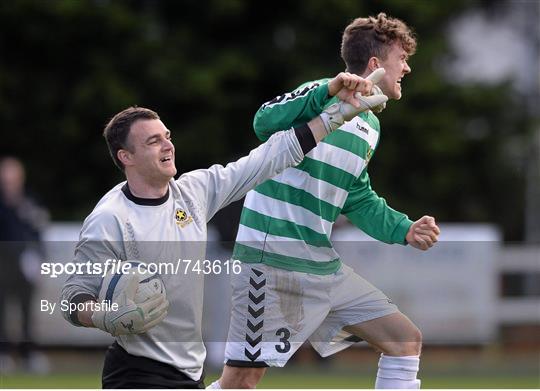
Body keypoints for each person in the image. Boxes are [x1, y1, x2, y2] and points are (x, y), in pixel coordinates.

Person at [60, 95, 386, 388]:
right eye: (153, 141)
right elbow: (73, 297)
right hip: (136, 373)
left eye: (168, 137)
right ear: (125, 156)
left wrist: (335, 115)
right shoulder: (110, 218)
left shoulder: (193, 192)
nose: (167, 145)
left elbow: (265, 160)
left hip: (188, 371)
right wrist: (104, 315)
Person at [212, 13, 440, 389]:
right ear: (375, 64)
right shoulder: (322, 92)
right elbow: (263, 120)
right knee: (241, 380)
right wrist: (327, 92)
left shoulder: (370, 124)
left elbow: (357, 196)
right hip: (268, 264)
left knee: (403, 340)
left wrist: (405, 229)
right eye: (402, 59)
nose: (407, 68)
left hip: (320, 265)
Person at [0, 157, 50, 373]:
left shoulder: (30, 200)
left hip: (25, 263)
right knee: (2, 310)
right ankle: (3, 354)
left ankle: (29, 353)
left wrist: (39, 258)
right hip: (3, 263)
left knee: (27, 310)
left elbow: (38, 230)